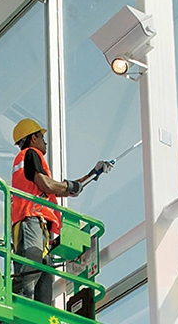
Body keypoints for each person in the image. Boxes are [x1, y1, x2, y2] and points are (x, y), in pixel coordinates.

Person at [10, 118, 112, 303]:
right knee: (33, 262)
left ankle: (41, 313)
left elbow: (59, 189)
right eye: (42, 137)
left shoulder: (29, 160)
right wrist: (70, 186)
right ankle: (20, 299)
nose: (45, 142)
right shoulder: (30, 153)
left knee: (44, 274)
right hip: (30, 218)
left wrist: (91, 175)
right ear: (33, 138)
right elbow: (47, 185)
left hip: (40, 225)